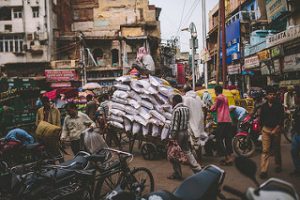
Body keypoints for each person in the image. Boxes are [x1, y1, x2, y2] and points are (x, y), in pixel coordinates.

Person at [168, 94, 202, 180]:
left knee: (173, 153)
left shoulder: (176, 110)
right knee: (187, 151)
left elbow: (175, 125)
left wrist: (172, 136)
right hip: (185, 132)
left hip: (178, 134)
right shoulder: (186, 109)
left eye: (172, 102)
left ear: (175, 101)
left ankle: (177, 173)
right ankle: (197, 169)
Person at [259, 86, 284, 179]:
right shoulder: (264, 106)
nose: (272, 96)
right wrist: (261, 130)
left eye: (273, 94)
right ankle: (264, 170)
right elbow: (261, 119)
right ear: (267, 95)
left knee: (276, 149)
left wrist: (276, 129)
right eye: (270, 94)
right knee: (265, 150)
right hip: (266, 129)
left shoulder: (279, 106)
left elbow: (281, 119)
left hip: (276, 129)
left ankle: (278, 165)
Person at [210, 85, 234, 165]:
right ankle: (230, 156)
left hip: (222, 120)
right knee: (228, 139)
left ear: (216, 91)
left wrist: (210, 107)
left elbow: (213, 108)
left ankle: (227, 157)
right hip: (228, 120)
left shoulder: (219, 98)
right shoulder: (225, 97)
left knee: (219, 139)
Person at [182, 85, 206, 160]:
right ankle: (199, 157)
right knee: (197, 140)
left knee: (190, 141)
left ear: (185, 91)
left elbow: (184, 110)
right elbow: (204, 107)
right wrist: (204, 118)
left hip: (191, 122)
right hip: (199, 122)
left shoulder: (186, 99)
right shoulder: (198, 97)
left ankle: (194, 159)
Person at [290, 88, 300, 176]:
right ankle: (297, 169)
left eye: (296, 96)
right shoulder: (297, 108)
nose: (294, 98)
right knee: (294, 151)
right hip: (297, 134)